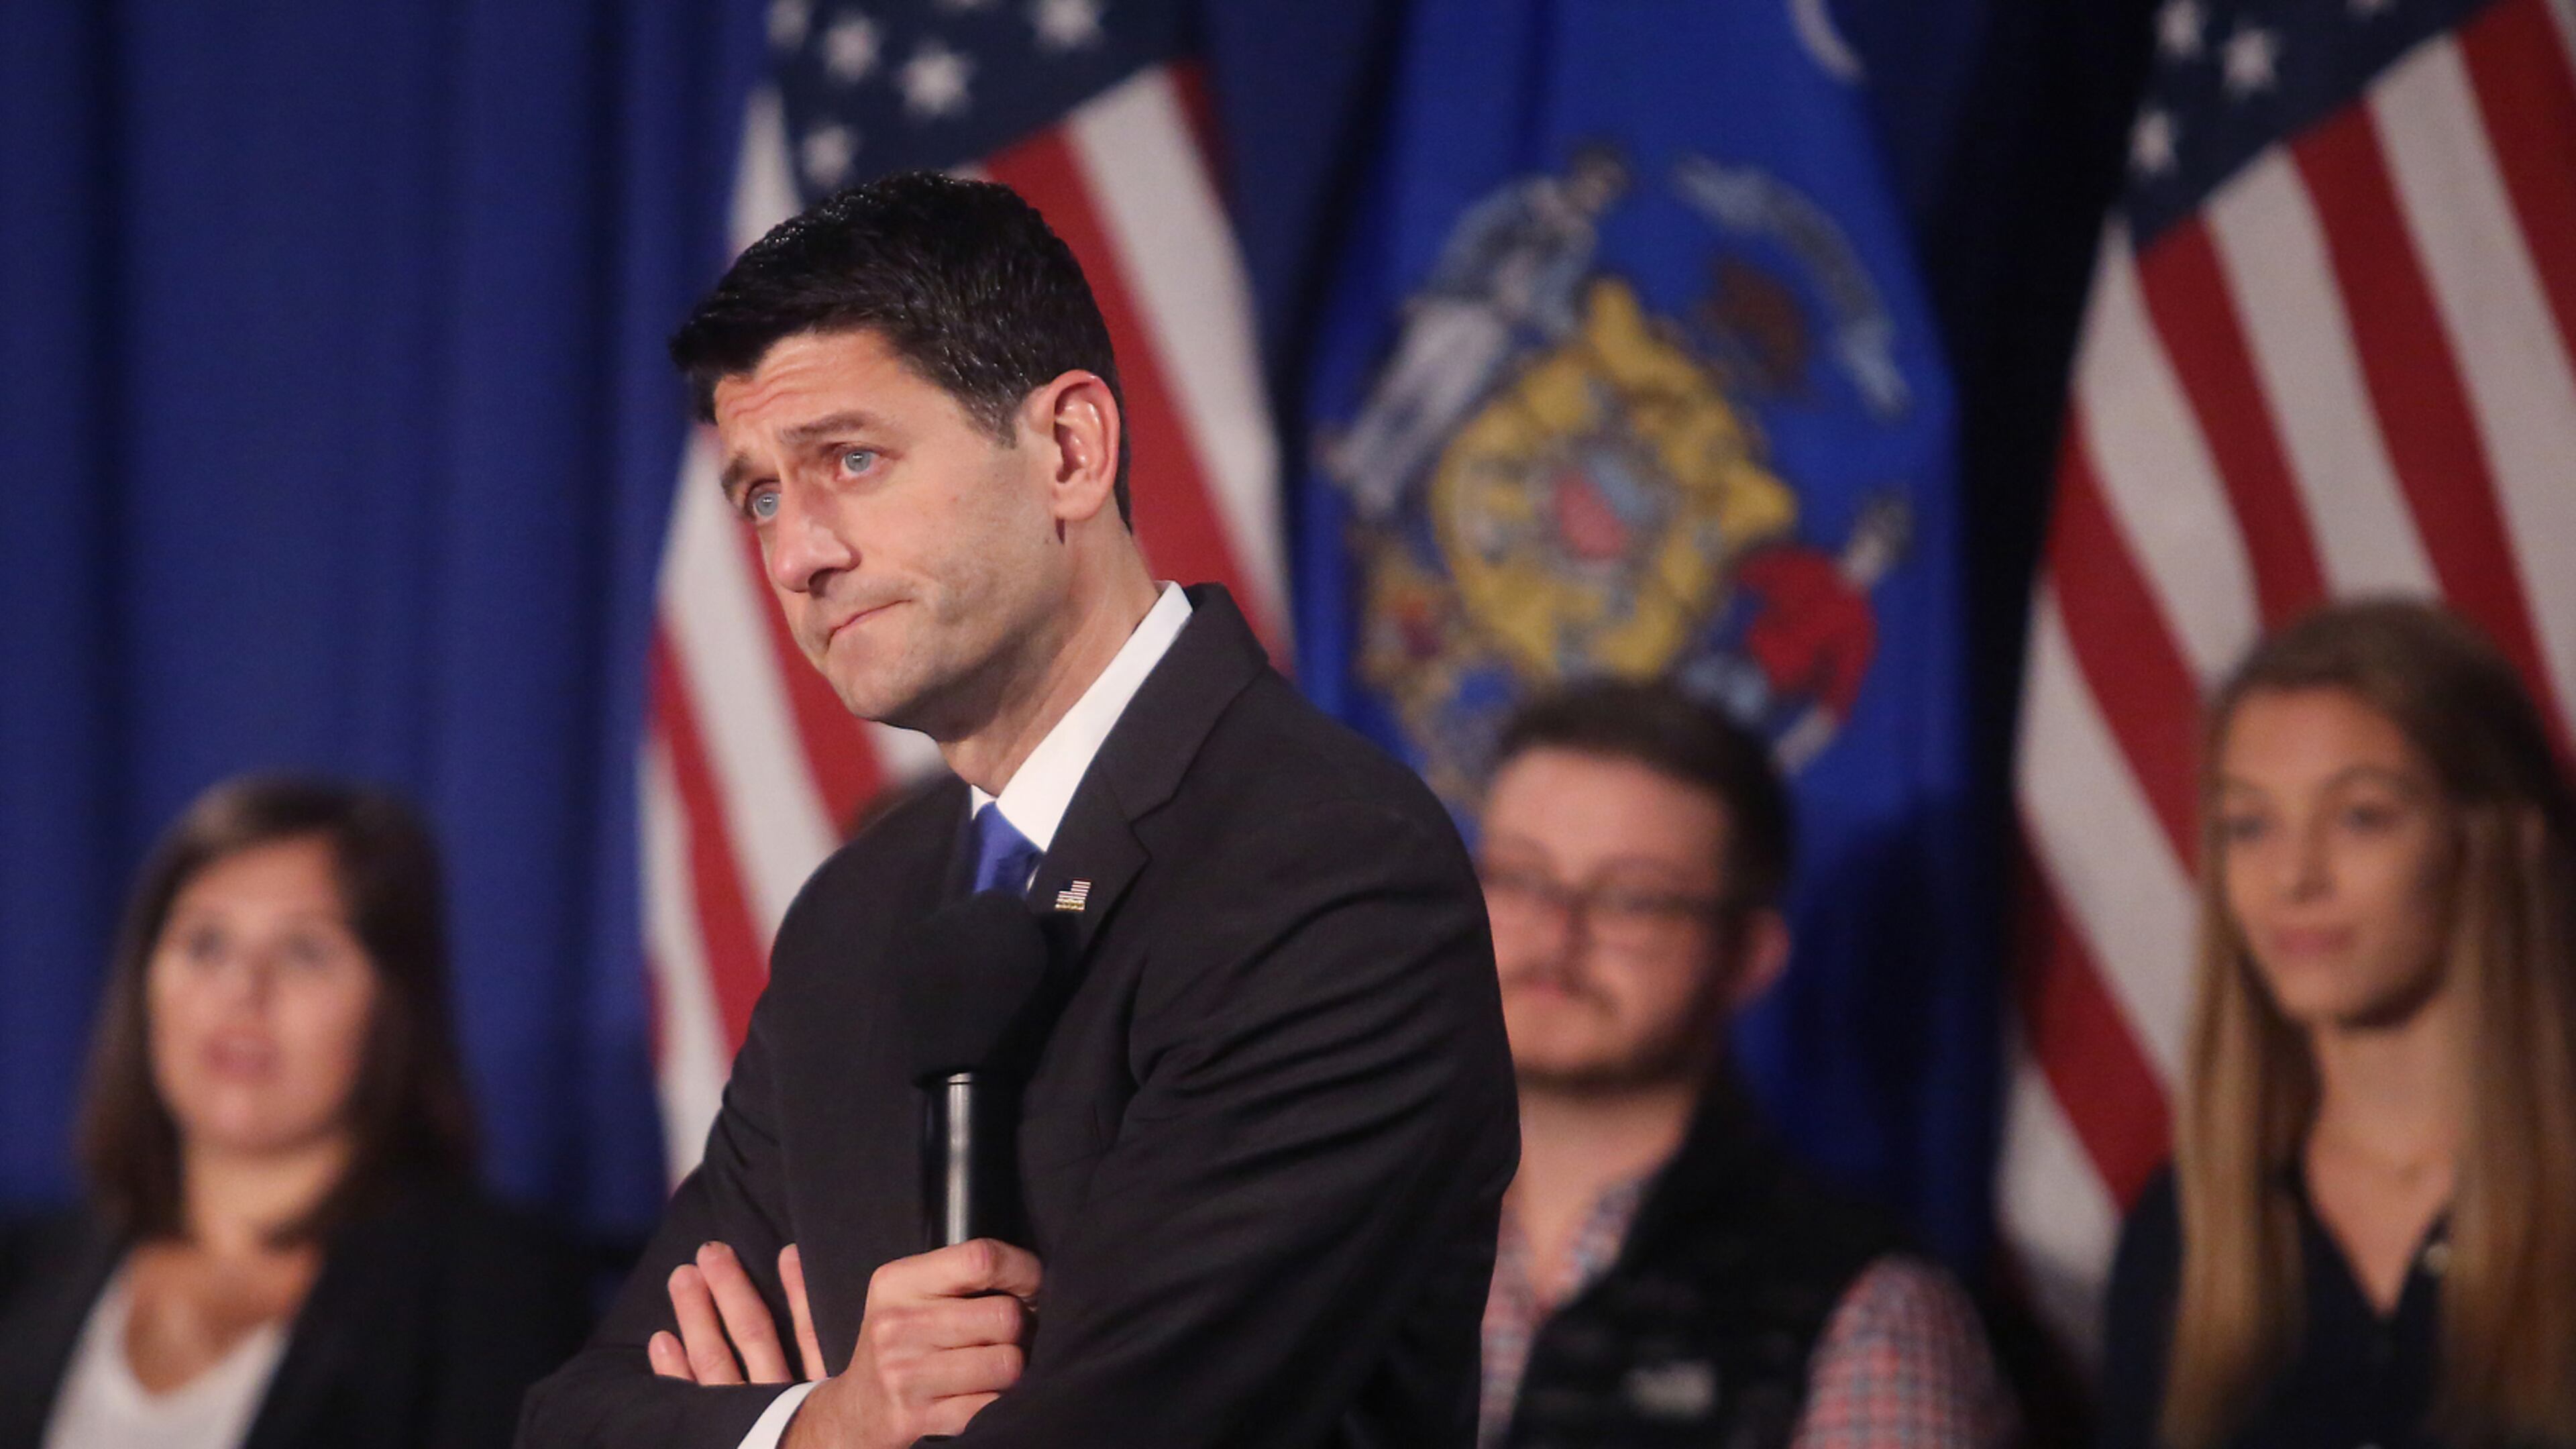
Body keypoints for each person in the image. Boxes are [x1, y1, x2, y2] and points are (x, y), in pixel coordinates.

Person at [517, 172, 1517, 1449]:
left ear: (1069, 451)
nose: (795, 553)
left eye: (851, 460)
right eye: (761, 491)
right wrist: (829, 1425)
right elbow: (576, 1422)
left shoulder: (1325, 872)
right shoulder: (858, 912)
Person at [1474, 678, 2013, 1448]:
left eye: (1630, 899)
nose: (1555, 936)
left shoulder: (1865, 1311)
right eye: (1520, 879)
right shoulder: (1347, 1233)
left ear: (1747, 957)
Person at [2098, 600, 2576, 1449]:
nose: (2293, 876)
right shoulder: (2188, 1232)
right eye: (2250, 825)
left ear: (2501, 840)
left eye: (2360, 817)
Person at [0, 775, 590, 1449]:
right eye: (206, 944)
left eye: (304, 952)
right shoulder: (24, 1272)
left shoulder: (492, 1293)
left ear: (393, 1007)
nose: (243, 990)